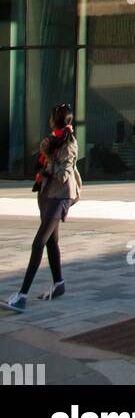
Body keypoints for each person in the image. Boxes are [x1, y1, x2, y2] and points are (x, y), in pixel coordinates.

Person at [3, 104, 82, 313]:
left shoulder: (69, 143)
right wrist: (46, 154)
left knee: (39, 243)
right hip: (47, 195)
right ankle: (59, 284)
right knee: (51, 241)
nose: (48, 120)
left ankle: (21, 296)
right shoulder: (54, 139)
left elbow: (63, 174)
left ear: (55, 121)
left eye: (50, 117)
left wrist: (48, 157)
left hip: (60, 197)